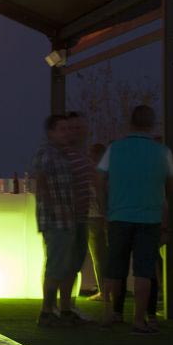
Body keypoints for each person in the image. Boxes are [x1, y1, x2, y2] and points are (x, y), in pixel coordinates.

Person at [98, 105, 173, 333]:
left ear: (130, 123)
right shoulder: (162, 152)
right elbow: (172, 184)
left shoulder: (115, 149)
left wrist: (105, 207)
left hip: (119, 215)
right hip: (150, 216)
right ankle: (139, 320)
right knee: (144, 270)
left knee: (114, 268)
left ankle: (109, 314)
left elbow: (99, 179)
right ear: (152, 125)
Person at [31, 115, 88, 327]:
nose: (66, 133)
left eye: (67, 129)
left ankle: (58, 310)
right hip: (57, 219)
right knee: (56, 264)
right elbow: (41, 182)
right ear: (51, 133)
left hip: (65, 218)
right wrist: (53, 209)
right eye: (62, 130)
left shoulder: (60, 154)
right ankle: (47, 311)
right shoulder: (48, 154)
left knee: (62, 264)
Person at [65, 113, 99, 298]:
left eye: (79, 128)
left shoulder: (84, 157)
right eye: (73, 128)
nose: (77, 132)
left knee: (76, 262)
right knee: (66, 263)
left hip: (82, 216)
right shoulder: (64, 157)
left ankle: (67, 304)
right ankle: (61, 305)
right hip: (69, 218)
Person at [83, 142, 109, 302]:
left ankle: (104, 291)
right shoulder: (107, 172)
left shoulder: (92, 173)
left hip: (93, 216)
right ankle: (109, 290)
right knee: (105, 255)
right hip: (105, 216)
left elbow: (97, 195)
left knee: (98, 256)